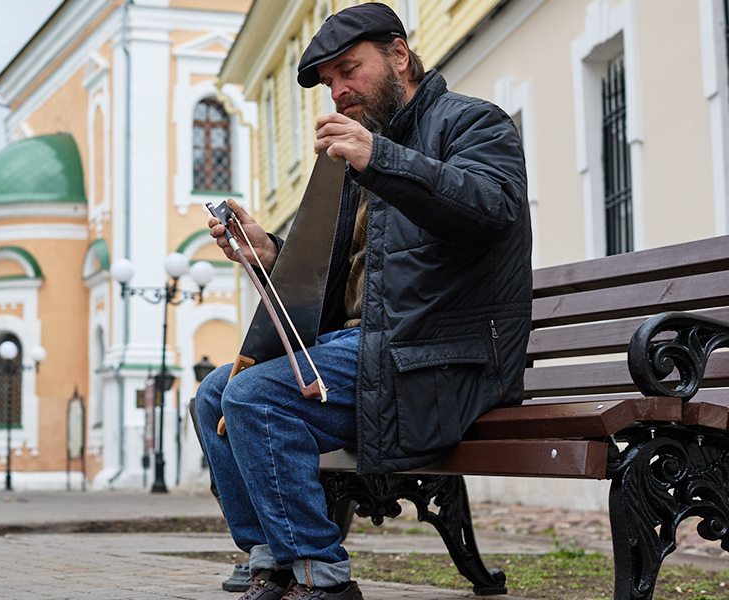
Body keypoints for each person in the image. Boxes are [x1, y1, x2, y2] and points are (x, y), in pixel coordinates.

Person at [196, 3, 531, 599]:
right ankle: (269, 555)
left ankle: (320, 576)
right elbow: (339, 275)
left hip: (436, 356)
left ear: (399, 55)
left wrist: (381, 159)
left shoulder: (473, 123)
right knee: (214, 394)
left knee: (254, 396)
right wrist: (269, 252)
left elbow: (491, 208)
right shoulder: (355, 157)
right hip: (368, 352)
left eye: (350, 70)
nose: (339, 91)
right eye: (329, 83)